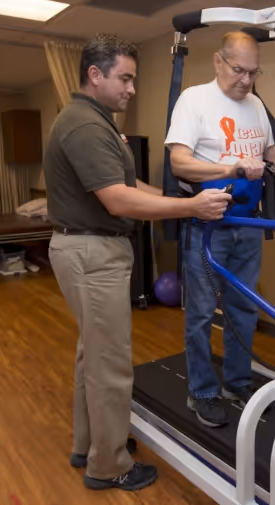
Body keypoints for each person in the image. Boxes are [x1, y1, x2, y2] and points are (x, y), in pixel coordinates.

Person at [43, 33, 232, 491]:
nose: (131, 88)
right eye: (125, 78)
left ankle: (90, 443)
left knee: (94, 354)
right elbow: (118, 200)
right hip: (92, 252)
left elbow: (132, 184)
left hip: (89, 249)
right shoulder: (85, 126)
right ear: (95, 74)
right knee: (109, 364)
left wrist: (176, 200)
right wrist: (190, 209)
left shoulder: (95, 120)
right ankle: (108, 465)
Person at [165, 32, 275, 428]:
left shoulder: (257, 105)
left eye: (252, 71)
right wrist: (230, 168)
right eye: (238, 70)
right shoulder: (194, 100)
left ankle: (237, 383)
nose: (246, 80)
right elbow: (179, 163)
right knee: (198, 313)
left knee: (243, 308)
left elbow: (273, 161)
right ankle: (203, 392)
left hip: (248, 223)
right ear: (218, 62)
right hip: (208, 225)